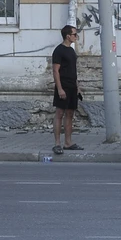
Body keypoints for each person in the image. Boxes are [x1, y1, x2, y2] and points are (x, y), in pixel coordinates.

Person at [51, 25, 83, 155]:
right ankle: (57, 144)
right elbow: (55, 71)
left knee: (70, 114)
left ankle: (68, 143)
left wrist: (77, 87)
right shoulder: (59, 50)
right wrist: (59, 89)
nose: (76, 37)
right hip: (63, 86)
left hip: (72, 87)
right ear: (67, 36)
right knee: (59, 114)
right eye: (74, 34)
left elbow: (73, 70)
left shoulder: (71, 50)